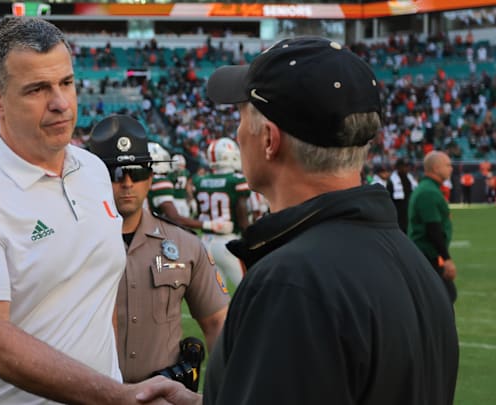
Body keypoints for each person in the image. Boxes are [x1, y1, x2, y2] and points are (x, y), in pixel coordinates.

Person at [137, 36, 458, 405]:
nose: (238, 133)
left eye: (241, 117)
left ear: (270, 140)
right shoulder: (412, 262)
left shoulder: (293, 282)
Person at [0, 17, 165, 404]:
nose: (60, 103)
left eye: (66, 83)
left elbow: (97, 298)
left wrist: (116, 385)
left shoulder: (92, 171)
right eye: (37, 89)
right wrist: (115, 396)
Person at [89, 114, 229, 385]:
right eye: (115, 173)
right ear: (94, 178)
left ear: (151, 179)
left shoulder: (185, 245)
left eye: (138, 171)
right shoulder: (71, 246)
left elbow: (218, 325)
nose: (127, 182)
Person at [193, 137, 250, 287]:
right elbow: (242, 216)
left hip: (205, 243)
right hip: (228, 242)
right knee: (250, 288)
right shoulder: (236, 180)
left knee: (219, 299)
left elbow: (200, 212)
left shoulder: (200, 181)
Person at [408, 150, 458, 303]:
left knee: (444, 296)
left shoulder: (429, 188)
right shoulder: (428, 192)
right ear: (436, 168)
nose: (451, 168)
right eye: (448, 165)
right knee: (444, 297)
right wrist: (446, 258)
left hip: (428, 254)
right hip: (428, 256)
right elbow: (433, 229)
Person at [387, 157, 418, 233]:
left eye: (408, 166)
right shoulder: (391, 181)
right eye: (405, 166)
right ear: (398, 167)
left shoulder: (410, 178)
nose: (407, 168)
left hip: (408, 210)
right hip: (398, 212)